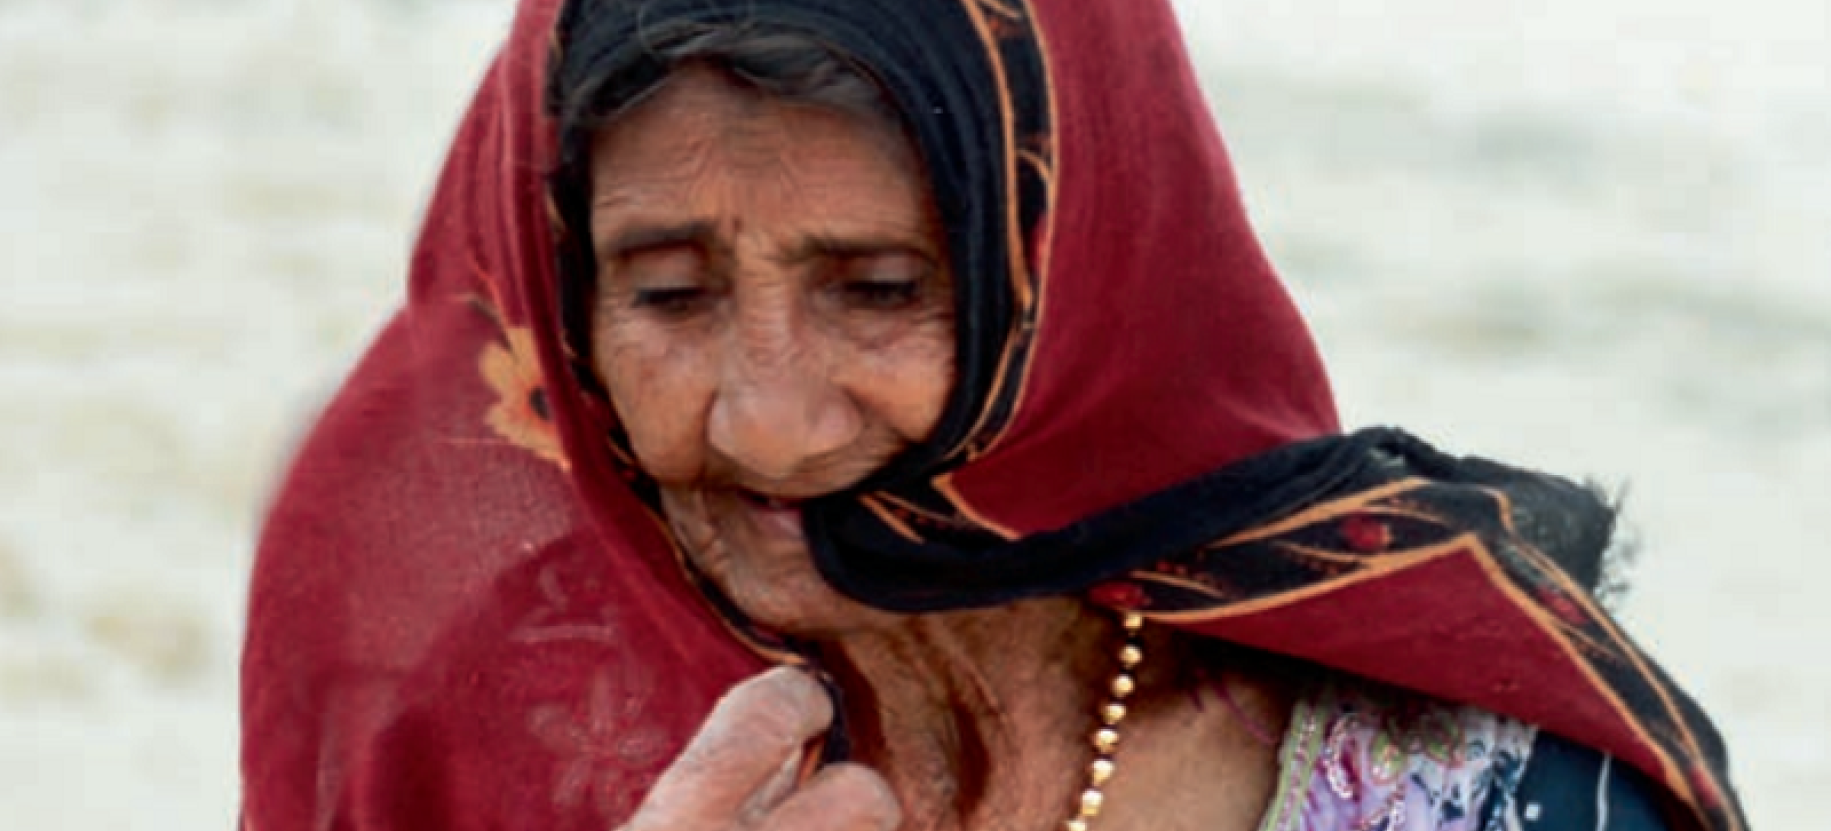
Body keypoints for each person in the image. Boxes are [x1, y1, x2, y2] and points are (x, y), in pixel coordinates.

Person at [239, 0, 1748, 829]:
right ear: (556, 306)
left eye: (880, 287)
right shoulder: (446, 734)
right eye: (669, 293)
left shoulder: (1487, 792)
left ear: (1080, 282)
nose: (765, 423)